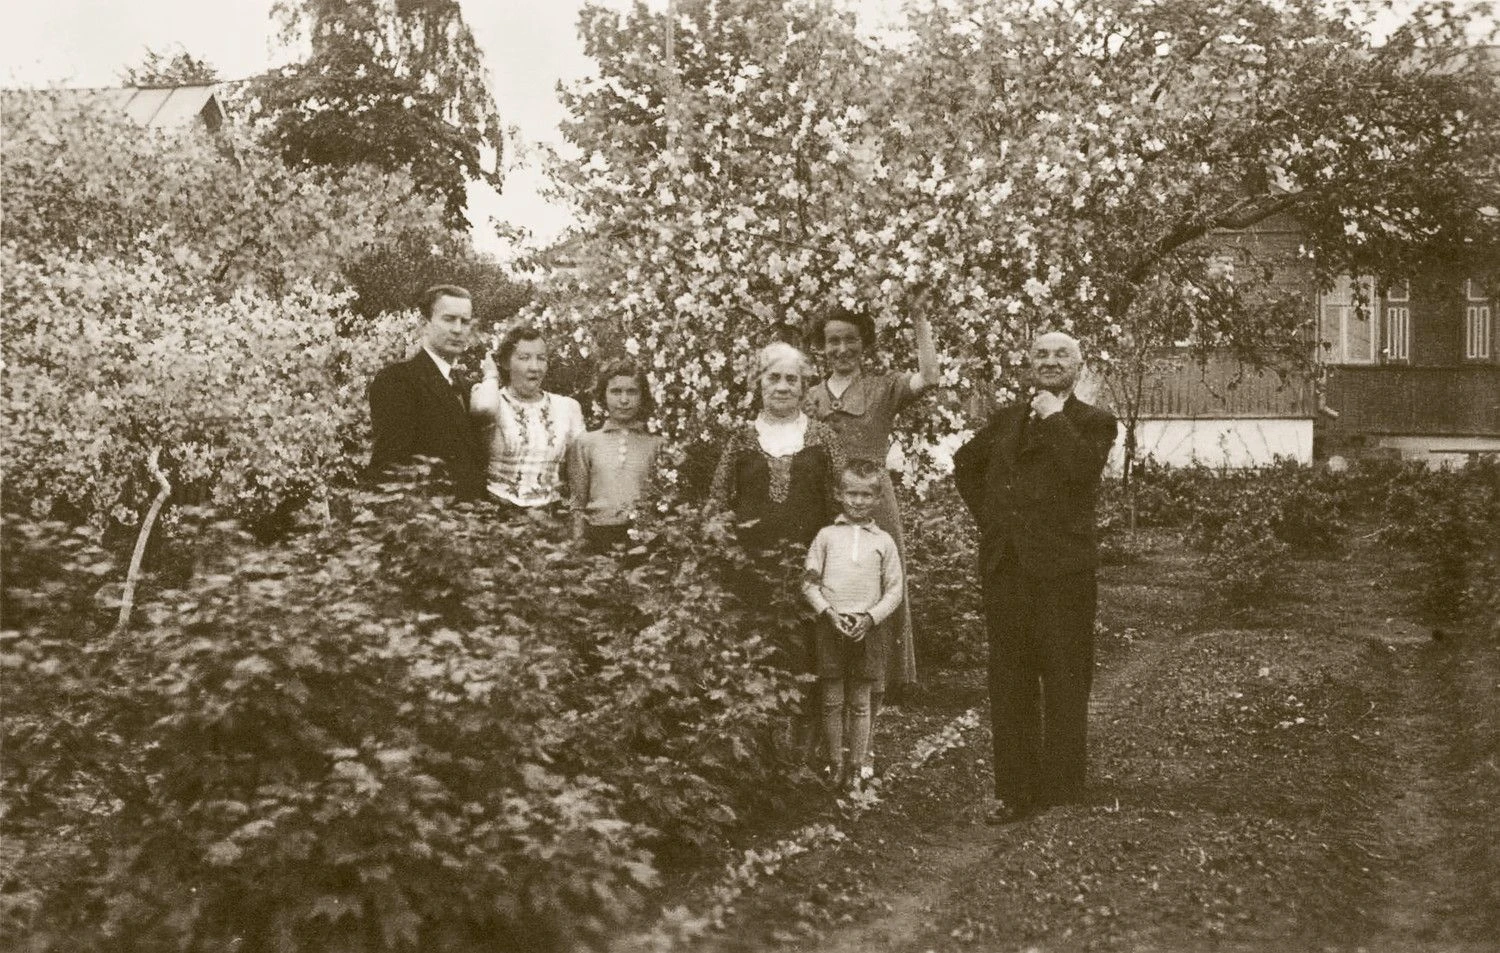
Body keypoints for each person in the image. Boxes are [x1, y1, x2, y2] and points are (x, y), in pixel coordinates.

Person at [951, 331, 1118, 824]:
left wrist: (1054, 416)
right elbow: (965, 465)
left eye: (1061, 354)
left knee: (1066, 676)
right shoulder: (1007, 420)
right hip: (1008, 569)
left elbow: (1082, 470)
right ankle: (1016, 790)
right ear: (1030, 363)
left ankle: (1062, 792)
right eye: (1041, 354)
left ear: (1079, 365)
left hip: (1064, 571)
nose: (1049, 361)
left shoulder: (1094, 422)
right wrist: (995, 522)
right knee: (1011, 680)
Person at [705, 342, 847, 740]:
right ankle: (755, 746)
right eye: (773, 377)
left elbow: (842, 503)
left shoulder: (822, 437)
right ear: (758, 383)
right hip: (749, 574)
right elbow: (716, 503)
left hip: (809, 572)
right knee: (753, 655)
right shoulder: (740, 438)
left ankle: (805, 752)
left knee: (807, 656)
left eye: (792, 379)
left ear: (804, 387)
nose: (782, 387)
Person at [804, 297, 939, 706]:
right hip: (825, 509)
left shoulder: (883, 389)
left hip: (874, 505)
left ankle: (884, 685)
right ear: (822, 347)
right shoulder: (809, 398)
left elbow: (929, 377)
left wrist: (918, 317)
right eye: (832, 342)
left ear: (864, 345)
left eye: (850, 340)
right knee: (828, 586)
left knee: (880, 584)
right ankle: (829, 686)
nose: (841, 350)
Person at [801, 459, 905, 788]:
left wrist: (870, 618)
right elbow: (808, 582)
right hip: (831, 625)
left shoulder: (883, 542)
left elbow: (895, 590)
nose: (858, 501)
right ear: (839, 495)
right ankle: (835, 763)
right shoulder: (826, 536)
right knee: (832, 699)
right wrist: (827, 612)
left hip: (867, 629)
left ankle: (857, 768)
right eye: (851, 494)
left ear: (877, 499)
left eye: (865, 495)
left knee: (861, 702)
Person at [366, 284, 486, 500]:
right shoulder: (399, 379)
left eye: (465, 321)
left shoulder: (465, 386)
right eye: (449, 319)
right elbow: (389, 467)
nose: (458, 329)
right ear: (424, 324)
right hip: (427, 520)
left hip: (472, 524)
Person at [470, 326, 586, 515]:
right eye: (524, 358)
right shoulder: (492, 400)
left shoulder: (567, 408)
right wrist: (491, 373)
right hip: (496, 518)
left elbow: (579, 471)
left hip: (548, 518)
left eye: (541, 358)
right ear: (506, 363)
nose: (535, 367)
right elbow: (483, 408)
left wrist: (576, 518)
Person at [568, 358, 663, 551]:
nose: (624, 400)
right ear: (603, 395)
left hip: (643, 537)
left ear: (642, 396)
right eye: (616, 391)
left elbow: (663, 502)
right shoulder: (586, 442)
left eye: (632, 392)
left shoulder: (657, 444)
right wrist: (578, 545)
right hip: (598, 536)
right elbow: (578, 503)